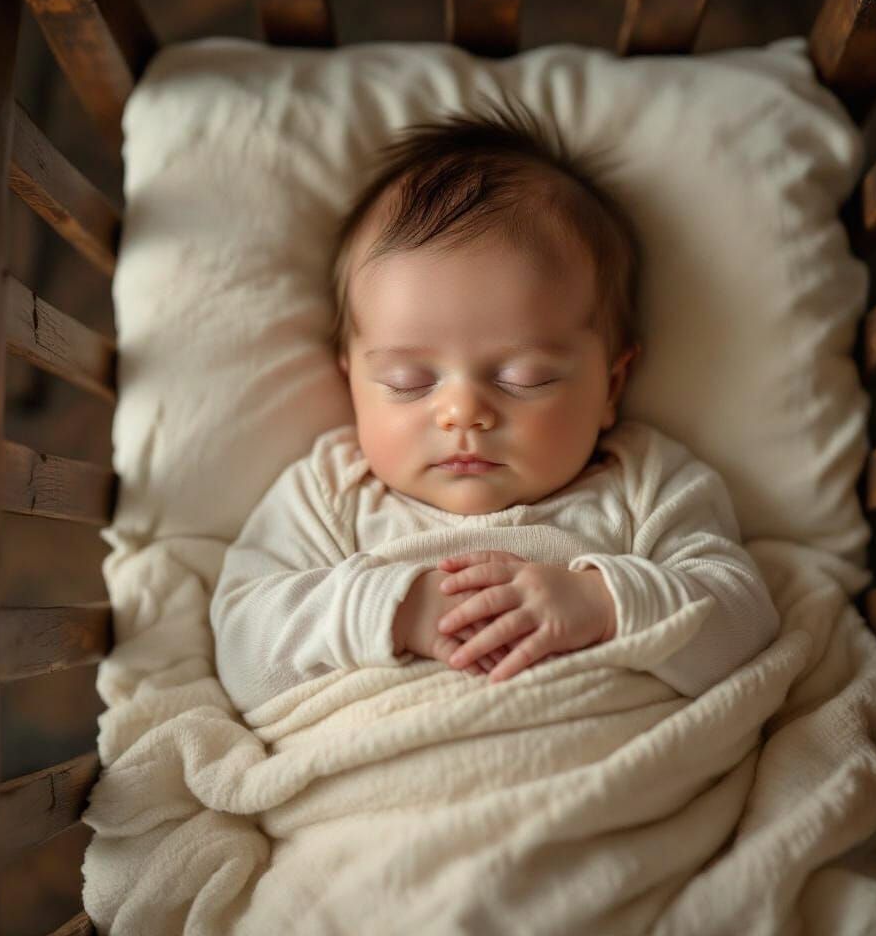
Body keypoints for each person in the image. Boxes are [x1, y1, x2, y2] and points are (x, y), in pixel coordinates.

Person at [209, 96, 780, 716]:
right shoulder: (329, 494)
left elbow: (743, 622)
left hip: (614, 777)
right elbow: (243, 649)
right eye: (407, 380)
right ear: (351, 380)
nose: (462, 413)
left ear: (611, 387)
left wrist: (604, 604)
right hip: (377, 788)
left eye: (524, 377)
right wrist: (392, 610)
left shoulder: (645, 483)